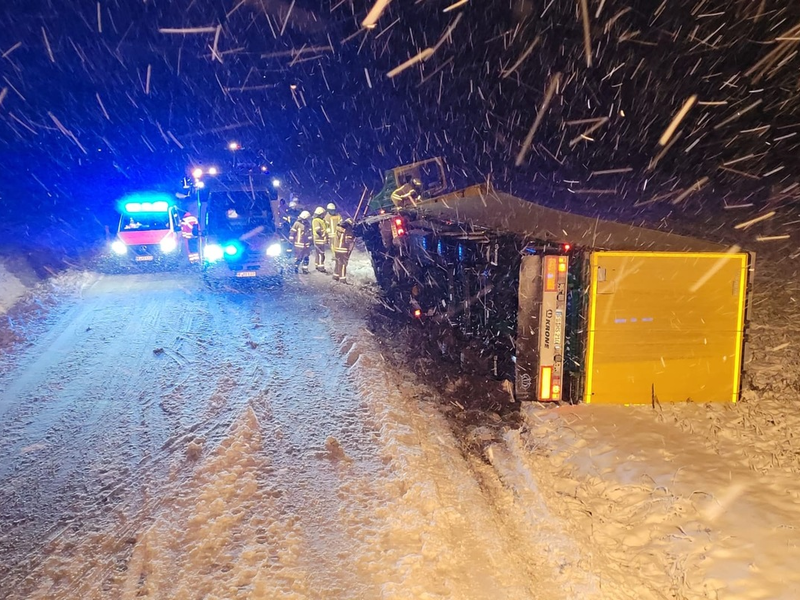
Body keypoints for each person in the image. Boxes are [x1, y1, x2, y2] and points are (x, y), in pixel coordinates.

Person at [332, 219, 356, 283]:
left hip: (337, 249)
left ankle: (335, 276)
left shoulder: (338, 229)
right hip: (343, 250)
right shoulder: (348, 231)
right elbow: (349, 241)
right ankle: (342, 279)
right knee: (343, 264)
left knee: (338, 262)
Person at [312, 207, 328, 272]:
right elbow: (318, 230)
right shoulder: (316, 220)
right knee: (321, 254)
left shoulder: (321, 220)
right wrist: (323, 234)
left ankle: (317, 265)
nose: (324, 215)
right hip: (319, 239)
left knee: (318, 253)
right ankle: (320, 267)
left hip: (320, 240)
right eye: (323, 214)